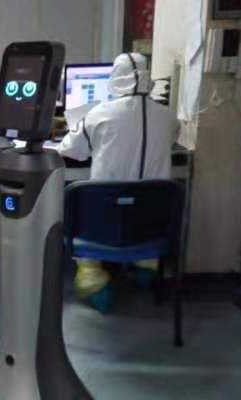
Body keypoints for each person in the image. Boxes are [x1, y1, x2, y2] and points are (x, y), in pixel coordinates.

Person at [57, 53, 180, 313]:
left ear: (115, 78)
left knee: (80, 203)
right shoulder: (169, 117)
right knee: (147, 202)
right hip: (152, 229)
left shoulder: (98, 114)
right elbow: (170, 141)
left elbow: (71, 150)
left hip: (102, 227)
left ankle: (94, 281)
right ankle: (145, 270)